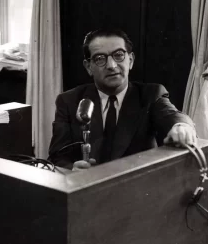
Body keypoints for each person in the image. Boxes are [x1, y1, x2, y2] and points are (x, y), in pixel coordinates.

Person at [48, 29, 197, 170]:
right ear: (88, 67)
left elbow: (173, 115)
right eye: (100, 58)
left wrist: (182, 126)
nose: (112, 66)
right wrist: (72, 169)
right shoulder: (69, 101)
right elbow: (56, 157)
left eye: (118, 55)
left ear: (130, 60)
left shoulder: (151, 95)